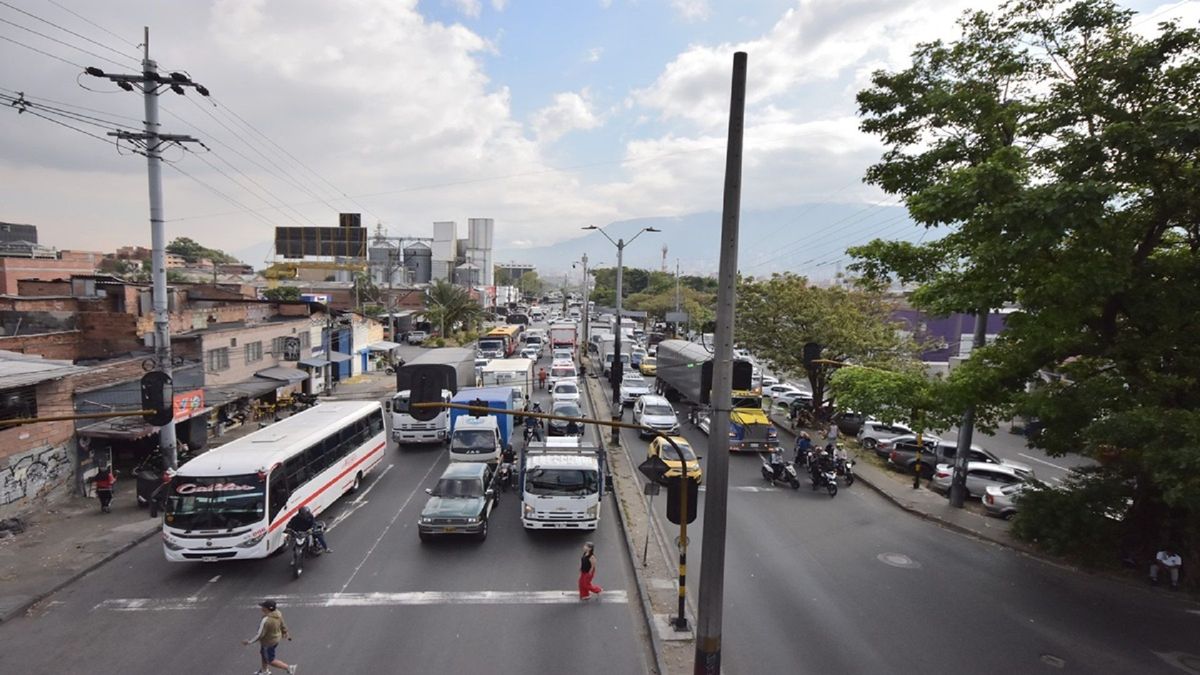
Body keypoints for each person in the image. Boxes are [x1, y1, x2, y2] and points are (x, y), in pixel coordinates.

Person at [243, 599, 297, 674]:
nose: (262, 608)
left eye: (263, 606)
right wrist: (285, 632)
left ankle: (289, 668)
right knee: (264, 654)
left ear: (267, 609)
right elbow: (282, 623)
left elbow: (259, 634)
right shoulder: (278, 614)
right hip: (275, 639)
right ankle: (264, 671)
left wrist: (249, 642)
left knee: (270, 660)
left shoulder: (266, 620)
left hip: (268, 642)